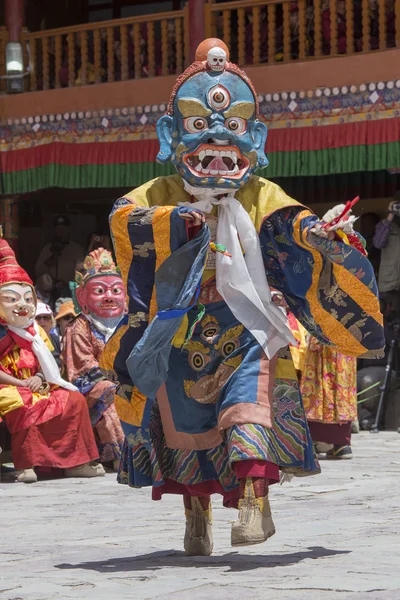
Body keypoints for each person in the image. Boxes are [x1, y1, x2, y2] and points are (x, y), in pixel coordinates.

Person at [101, 38, 384, 555]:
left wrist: (322, 236)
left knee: (246, 413)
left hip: (246, 323)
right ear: (170, 134)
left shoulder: (259, 194)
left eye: (233, 127)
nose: (216, 136)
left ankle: (254, 503)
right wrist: (177, 222)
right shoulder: (156, 194)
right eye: (199, 125)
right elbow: (124, 222)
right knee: (184, 424)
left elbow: (292, 224)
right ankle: (196, 515)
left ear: (254, 137)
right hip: (179, 330)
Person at [0, 238, 104, 483]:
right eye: (11, 299)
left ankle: (76, 463)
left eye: (27, 298)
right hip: (9, 386)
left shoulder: (36, 330)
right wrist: (22, 383)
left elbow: (52, 362)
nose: (21, 305)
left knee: (74, 400)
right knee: (23, 403)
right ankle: (27, 464)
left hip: (40, 383)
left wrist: (37, 377)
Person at [62, 248, 125, 471]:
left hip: (128, 379)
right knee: (109, 392)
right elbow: (83, 367)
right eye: (99, 291)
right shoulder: (79, 327)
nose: (109, 297)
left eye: (116, 290)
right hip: (91, 386)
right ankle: (121, 454)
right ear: (82, 297)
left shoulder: (129, 323)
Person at [300, 336, 357, 459]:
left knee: (319, 386)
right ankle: (341, 444)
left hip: (322, 338)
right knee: (342, 386)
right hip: (346, 342)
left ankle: (314, 441)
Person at [35, 216, 84, 295]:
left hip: (70, 290)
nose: (61, 233)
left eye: (63, 230)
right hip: (49, 291)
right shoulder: (48, 248)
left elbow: (82, 273)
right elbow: (38, 271)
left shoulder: (77, 250)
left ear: (68, 230)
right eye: (58, 230)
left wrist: (67, 283)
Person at [373, 193, 400, 316]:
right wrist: (390, 215)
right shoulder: (385, 225)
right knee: (387, 318)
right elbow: (378, 243)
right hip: (389, 283)